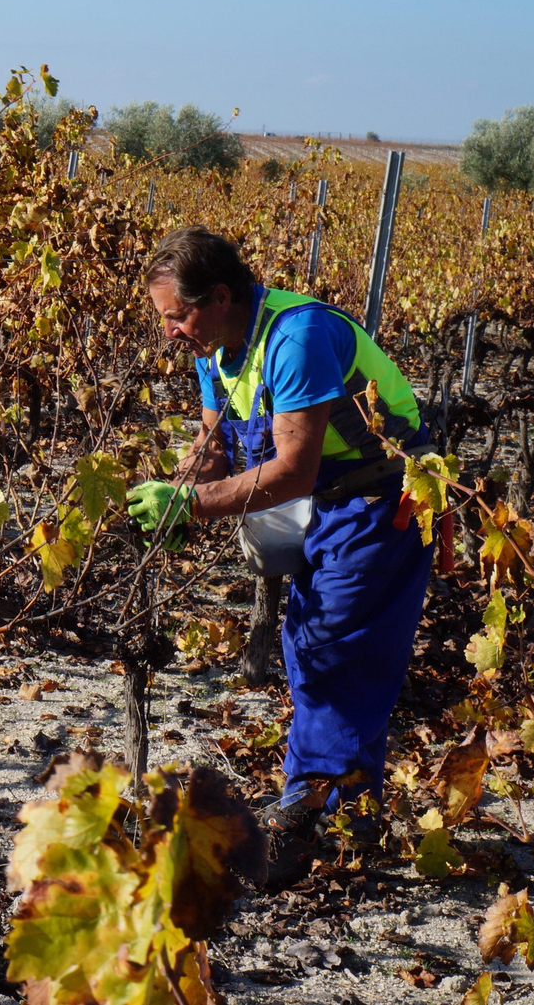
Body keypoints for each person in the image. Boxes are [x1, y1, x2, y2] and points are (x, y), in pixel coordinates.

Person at [125, 226, 434, 889]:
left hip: (386, 501)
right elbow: (212, 443)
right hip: (332, 504)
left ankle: (303, 820)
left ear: (219, 296)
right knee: (312, 649)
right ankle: (355, 821)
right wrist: (177, 490)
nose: (171, 334)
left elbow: (293, 468)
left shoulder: (295, 337)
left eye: (177, 317)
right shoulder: (217, 351)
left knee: (331, 650)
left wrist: (198, 505)